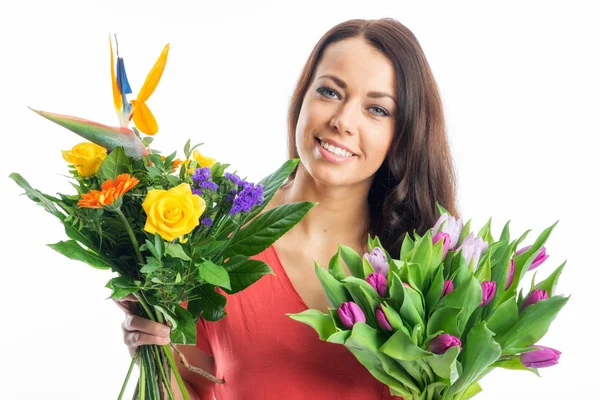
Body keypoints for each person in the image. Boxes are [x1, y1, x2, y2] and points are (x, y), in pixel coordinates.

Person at [118, 17, 458, 399]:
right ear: (302, 98)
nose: (342, 121)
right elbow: (194, 390)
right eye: (330, 92)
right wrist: (154, 354)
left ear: (404, 133)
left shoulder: (424, 269)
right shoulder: (214, 243)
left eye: (377, 110)